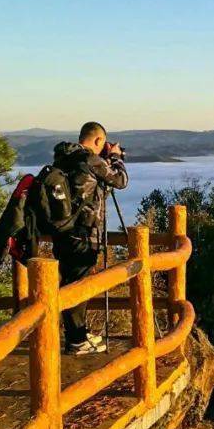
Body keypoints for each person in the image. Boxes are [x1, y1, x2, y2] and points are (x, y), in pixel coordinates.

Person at [52, 121, 128, 354]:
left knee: (70, 282)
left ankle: (78, 334)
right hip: (84, 233)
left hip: (63, 232)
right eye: (103, 143)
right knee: (77, 285)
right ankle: (76, 341)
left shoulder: (63, 158)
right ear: (98, 141)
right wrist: (115, 157)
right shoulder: (89, 160)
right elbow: (120, 180)